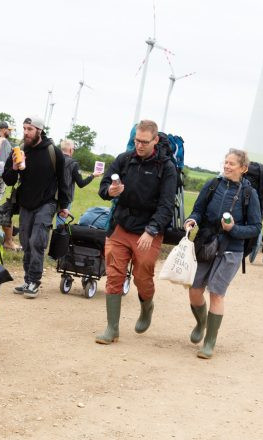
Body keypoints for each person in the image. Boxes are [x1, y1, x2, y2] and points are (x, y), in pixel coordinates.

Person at [95, 120, 177, 345]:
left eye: (144, 142)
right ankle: (112, 328)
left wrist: (151, 231)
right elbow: (103, 187)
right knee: (114, 275)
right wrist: (110, 191)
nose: (139, 145)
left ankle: (147, 306)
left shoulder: (166, 168)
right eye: (136, 141)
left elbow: (166, 205)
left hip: (148, 229)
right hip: (121, 226)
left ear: (155, 140)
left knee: (142, 276)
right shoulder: (124, 159)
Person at [184, 148, 262, 359]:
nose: (226, 166)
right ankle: (201, 323)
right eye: (225, 162)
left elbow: (255, 227)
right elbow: (198, 210)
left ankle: (209, 342)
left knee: (216, 293)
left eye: (232, 164)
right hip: (206, 243)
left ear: (243, 168)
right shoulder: (212, 184)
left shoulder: (249, 194)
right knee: (194, 290)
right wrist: (192, 220)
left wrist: (233, 230)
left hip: (231, 250)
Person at [2, 116, 70, 298]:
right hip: (25, 203)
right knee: (25, 242)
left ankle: (34, 281)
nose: (26, 132)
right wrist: (15, 167)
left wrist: (64, 205)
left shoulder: (53, 152)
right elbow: (8, 180)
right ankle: (27, 279)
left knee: (37, 241)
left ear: (39, 130)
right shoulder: (20, 150)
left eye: (30, 129)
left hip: (47, 203)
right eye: (24, 128)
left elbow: (63, 181)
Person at [56, 138, 103, 226]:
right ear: (70, 150)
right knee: (60, 225)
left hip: (51, 196)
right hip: (65, 198)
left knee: (45, 223)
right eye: (74, 149)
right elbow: (81, 183)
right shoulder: (74, 164)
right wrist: (92, 175)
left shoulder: (54, 160)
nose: (74, 150)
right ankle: (57, 239)